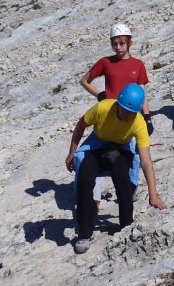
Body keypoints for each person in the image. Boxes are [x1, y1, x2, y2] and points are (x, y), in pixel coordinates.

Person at [65, 84, 167, 253]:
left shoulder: (138, 122)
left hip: (120, 149)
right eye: (123, 110)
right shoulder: (103, 107)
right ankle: (84, 233)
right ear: (117, 104)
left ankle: (125, 225)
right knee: (84, 178)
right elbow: (81, 124)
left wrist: (153, 195)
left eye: (131, 113)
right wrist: (72, 152)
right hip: (96, 147)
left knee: (121, 176)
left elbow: (146, 161)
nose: (126, 115)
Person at [78, 23, 153, 199]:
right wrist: (100, 94)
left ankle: (130, 190)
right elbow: (84, 81)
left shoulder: (138, 64)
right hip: (109, 114)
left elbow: (142, 92)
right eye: (114, 44)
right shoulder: (106, 62)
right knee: (97, 154)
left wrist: (147, 116)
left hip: (132, 116)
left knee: (134, 155)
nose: (118, 47)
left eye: (121, 43)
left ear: (129, 43)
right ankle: (93, 193)